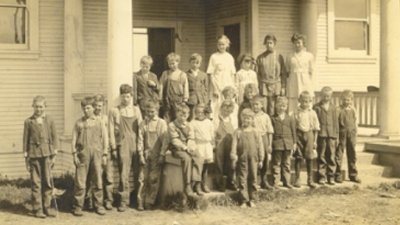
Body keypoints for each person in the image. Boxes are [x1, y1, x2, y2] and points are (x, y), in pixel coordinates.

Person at [23, 96, 59, 218]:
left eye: (41, 106)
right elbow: (25, 140)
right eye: (36, 106)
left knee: (48, 182)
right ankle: (38, 209)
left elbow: (55, 137)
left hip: (47, 155)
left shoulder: (49, 120)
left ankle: (47, 207)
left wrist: (54, 155)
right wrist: (26, 157)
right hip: (34, 155)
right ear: (33, 106)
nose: (38, 109)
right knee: (36, 182)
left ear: (45, 107)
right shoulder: (28, 121)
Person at [71, 96, 108, 216]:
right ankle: (78, 206)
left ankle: (99, 205)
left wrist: (105, 154)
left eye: (88, 108)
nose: (86, 110)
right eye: (84, 108)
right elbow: (74, 140)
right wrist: (74, 154)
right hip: (83, 155)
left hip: (97, 154)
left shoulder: (99, 121)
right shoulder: (79, 123)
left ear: (93, 108)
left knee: (97, 179)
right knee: (80, 181)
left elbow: (105, 139)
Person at [109, 84, 143, 212]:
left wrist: (140, 146)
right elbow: (111, 130)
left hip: (135, 143)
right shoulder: (115, 110)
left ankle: (138, 200)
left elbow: (141, 129)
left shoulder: (136, 110)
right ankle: (123, 200)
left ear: (131, 96)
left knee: (138, 172)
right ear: (120, 96)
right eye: (123, 96)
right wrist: (113, 147)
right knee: (124, 173)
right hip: (122, 144)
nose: (125, 99)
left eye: (128, 96)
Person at [137, 100, 168, 210]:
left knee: (153, 179)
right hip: (146, 154)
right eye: (148, 111)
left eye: (152, 111)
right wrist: (140, 154)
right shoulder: (143, 123)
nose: (150, 114)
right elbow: (140, 140)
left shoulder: (161, 123)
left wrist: (162, 154)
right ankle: (140, 201)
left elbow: (165, 141)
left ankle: (149, 202)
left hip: (157, 155)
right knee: (142, 179)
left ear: (157, 110)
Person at [231, 109, 264, 208]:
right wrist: (234, 155)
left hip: (254, 158)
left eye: (249, 119)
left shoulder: (256, 132)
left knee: (253, 178)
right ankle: (243, 200)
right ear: (241, 119)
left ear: (252, 120)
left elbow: (260, 145)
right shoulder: (238, 132)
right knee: (242, 178)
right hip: (242, 159)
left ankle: (252, 198)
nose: (247, 121)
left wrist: (261, 158)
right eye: (245, 118)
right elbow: (234, 145)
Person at [167, 103, 202, 196]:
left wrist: (190, 147)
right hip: (177, 149)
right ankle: (187, 185)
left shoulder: (189, 125)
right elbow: (175, 140)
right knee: (187, 159)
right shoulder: (172, 125)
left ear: (188, 115)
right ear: (176, 114)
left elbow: (191, 137)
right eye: (181, 115)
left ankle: (196, 182)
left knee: (198, 156)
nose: (183, 117)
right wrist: (185, 148)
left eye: (185, 115)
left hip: (187, 147)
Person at [293, 91, 319, 188]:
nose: (305, 103)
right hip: (299, 134)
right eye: (303, 101)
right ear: (299, 101)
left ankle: (310, 179)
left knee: (309, 157)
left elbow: (316, 128)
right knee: (298, 156)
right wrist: (295, 140)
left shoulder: (312, 113)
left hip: (309, 134)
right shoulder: (296, 112)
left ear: (310, 102)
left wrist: (315, 141)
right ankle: (297, 178)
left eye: (307, 102)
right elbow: (294, 127)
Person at [313, 86, 339, 185]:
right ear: (321, 95)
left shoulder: (333, 108)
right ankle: (322, 176)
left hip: (331, 135)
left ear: (331, 96)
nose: (326, 98)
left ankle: (331, 176)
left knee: (331, 155)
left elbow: (336, 123)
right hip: (321, 134)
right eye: (324, 96)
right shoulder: (316, 107)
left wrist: (336, 136)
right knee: (322, 155)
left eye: (328, 96)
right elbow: (314, 122)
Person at [335, 90, 362, 183]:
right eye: (345, 100)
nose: (347, 102)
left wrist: (356, 134)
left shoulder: (353, 110)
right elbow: (336, 124)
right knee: (339, 154)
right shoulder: (338, 109)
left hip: (351, 134)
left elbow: (356, 122)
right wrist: (336, 136)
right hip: (341, 133)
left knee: (352, 154)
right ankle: (337, 174)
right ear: (341, 100)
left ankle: (353, 174)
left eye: (349, 100)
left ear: (352, 100)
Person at [207, 35, 236, 119]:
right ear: (217, 45)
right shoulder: (214, 57)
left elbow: (232, 74)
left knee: (228, 107)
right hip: (217, 86)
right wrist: (215, 88)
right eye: (219, 44)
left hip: (228, 87)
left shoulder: (230, 57)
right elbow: (211, 74)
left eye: (223, 44)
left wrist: (233, 88)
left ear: (227, 45)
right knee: (216, 108)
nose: (221, 46)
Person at [256, 34, 286, 116]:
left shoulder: (279, 57)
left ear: (274, 44)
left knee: (275, 107)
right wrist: (258, 86)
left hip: (276, 84)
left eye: (271, 43)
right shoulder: (260, 57)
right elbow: (257, 74)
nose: (269, 45)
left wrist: (283, 87)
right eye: (267, 43)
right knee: (264, 106)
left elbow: (283, 73)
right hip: (264, 85)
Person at [270, 96, 296, 189]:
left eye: (284, 106)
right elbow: (271, 132)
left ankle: (286, 181)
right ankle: (275, 182)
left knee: (286, 163)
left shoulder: (290, 118)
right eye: (280, 106)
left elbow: (293, 131)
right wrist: (271, 144)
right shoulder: (273, 118)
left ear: (286, 106)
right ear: (276, 106)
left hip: (288, 144)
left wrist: (294, 143)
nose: (282, 108)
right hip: (277, 144)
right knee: (277, 163)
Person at [286, 33, 315, 113]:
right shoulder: (290, 56)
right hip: (293, 82)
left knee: (305, 101)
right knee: (293, 104)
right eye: (295, 43)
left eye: (299, 42)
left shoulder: (309, 56)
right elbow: (288, 71)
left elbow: (311, 72)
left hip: (305, 82)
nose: (297, 45)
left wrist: (311, 86)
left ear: (303, 43)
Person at [190, 104, 215, 195]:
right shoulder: (192, 123)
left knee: (206, 166)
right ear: (195, 113)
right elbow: (191, 136)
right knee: (198, 167)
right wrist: (193, 147)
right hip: (198, 145)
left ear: (205, 113)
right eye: (197, 112)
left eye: (202, 112)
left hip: (207, 145)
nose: (200, 114)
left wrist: (212, 144)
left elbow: (212, 135)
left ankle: (204, 184)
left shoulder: (208, 122)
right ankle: (197, 185)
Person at [214, 100, 238, 191]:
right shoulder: (217, 119)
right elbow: (213, 131)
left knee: (230, 163)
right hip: (220, 143)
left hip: (230, 142)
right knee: (219, 163)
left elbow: (235, 132)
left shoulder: (232, 119)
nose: (226, 112)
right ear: (221, 109)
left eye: (229, 111)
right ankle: (220, 183)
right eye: (225, 110)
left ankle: (230, 182)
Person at [251, 96, 274, 189]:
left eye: (257, 104)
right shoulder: (250, 115)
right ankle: (254, 181)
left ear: (261, 105)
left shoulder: (265, 116)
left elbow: (270, 131)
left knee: (264, 160)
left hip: (264, 138)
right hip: (253, 138)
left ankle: (264, 181)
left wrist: (269, 144)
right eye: (253, 105)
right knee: (255, 159)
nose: (255, 106)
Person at [159, 52, 189, 122]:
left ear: (178, 62)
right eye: (169, 64)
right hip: (167, 99)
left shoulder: (182, 74)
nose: (171, 66)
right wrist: (160, 97)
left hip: (178, 100)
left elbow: (185, 87)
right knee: (167, 116)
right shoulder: (165, 73)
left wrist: (185, 99)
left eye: (173, 63)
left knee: (177, 116)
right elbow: (161, 85)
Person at [186, 53, 210, 120]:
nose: (195, 65)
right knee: (192, 115)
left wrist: (205, 99)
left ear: (200, 64)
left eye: (197, 63)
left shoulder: (203, 75)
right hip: (191, 98)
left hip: (201, 98)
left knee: (201, 114)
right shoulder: (186, 74)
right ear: (190, 62)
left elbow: (206, 88)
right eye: (193, 62)